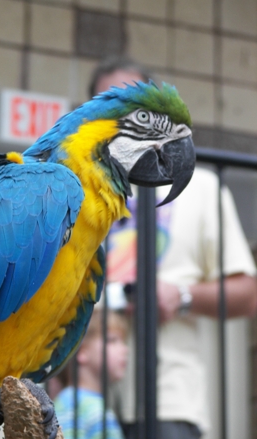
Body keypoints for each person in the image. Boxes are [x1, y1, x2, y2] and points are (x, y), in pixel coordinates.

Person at [89, 56, 257, 439]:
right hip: (83, 394)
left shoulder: (201, 187)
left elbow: (248, 294)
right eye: (110, 107)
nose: (125, 119)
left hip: (171, 399)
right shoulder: (77, 189)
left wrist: (179, 296)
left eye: (138, 110)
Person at [54, 308, 128, 439]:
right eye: (112, 340)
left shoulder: (65, 402)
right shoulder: (79, 406)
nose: (124, 349)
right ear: (81, 351)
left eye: (123, 342)